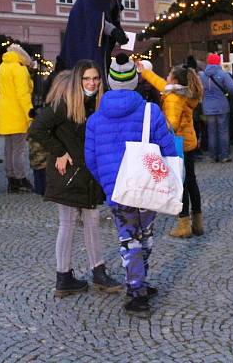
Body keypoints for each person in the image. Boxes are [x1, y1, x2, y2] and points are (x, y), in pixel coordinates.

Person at [85, 55, 177, 315]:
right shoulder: (151, 111)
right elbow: (169, 150)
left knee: (129, 238)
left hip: (118, 190)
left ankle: (137, 285)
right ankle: (138, 288)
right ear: (135, 81)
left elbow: (91, 159)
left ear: (110, 82)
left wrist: (108, 183)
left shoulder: (94, 120)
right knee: (145, 236)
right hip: (148, 186)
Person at [30, 60, 122, 297]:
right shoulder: (65, 104)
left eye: (95, 78)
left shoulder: (98, 104)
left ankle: (97, 271)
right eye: (86, 79)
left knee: (91, 220)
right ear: (77, 81)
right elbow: (36, 129)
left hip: (89, 174)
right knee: (68, 224)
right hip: (69, 175)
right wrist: (59, 151)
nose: (92, 83)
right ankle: (64, 276)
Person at [138, 58, 204, 239]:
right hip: (188, 142)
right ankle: (198, 222)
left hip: (178, 144)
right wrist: (144, 71)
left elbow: (172, 124)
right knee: (191, 181)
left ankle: (184, 224)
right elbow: (160, 84)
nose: (165, 77)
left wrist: (159, 135)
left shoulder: (173, 98)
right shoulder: (183, 92)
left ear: (174, 81)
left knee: (180, 184)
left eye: (168, 75)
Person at [57, 0, 135, 73]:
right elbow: (93, 18)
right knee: (87, 67)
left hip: (102, 40)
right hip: (84, 36)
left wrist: (119, 31)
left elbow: (114, 15)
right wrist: (114, 31)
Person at [0, 44, 36, 194]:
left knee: (9, 148)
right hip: (17, 112)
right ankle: (20, 179)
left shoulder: (2, 67)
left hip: (4, 111)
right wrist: (30, 114)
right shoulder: (20, 69)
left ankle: (11, 179)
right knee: (18, 149)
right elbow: (23, 94)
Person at [199, 53, 233, 163]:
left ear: (208, 62)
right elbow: (232, 89)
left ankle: (213, 156)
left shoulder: (202, 75)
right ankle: (224, 156)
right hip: (222, 106)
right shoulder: (223, 74)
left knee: (211, 132)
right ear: (218, 62)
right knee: (223, 131)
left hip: (208, 107)